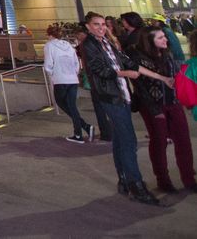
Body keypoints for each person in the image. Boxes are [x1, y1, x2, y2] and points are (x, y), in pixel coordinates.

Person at [80, 11, 157, 204]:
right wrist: (126, 74)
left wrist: (160, 76)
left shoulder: (107, 43)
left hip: (121, 95)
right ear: (88, 27)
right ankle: (136, 185)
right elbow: (101, 70)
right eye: (96, 25)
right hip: (112, 98)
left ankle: (123, 180)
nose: (101, 28)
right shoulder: (88, 45)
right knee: (129, 141)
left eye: (103, 24)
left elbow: (129, 62)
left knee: (121, 140)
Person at [131, 26, 195, 193]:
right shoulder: (138, 58)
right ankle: (163, 180)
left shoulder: (167, 54)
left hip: (173, 102)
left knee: (183, 140)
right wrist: (154, 110)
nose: (165, 40)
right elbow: (140, 88)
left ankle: (188, 178)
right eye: (160, 38)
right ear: (149, 41)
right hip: (153, 106)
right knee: (159, 142)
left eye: (164, 37)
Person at [43, 24, 94, 143]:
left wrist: (53, 74)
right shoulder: (69, 45)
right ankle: (81, 131)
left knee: (61, 102)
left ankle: (82, 130)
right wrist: (74, 73)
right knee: (72, 106)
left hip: (60, 79)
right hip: (72, 79)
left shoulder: (49, 45)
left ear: (50, 35)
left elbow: (48, 65)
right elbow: (77, 63)